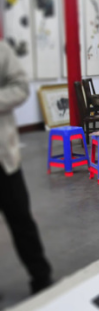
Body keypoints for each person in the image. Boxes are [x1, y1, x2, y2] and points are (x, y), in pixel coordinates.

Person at [0, 40, 52, 294]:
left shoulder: (2, 50)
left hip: (3, 159)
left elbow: (20, 87)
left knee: (21, 219)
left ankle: (41, 278)